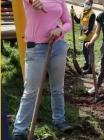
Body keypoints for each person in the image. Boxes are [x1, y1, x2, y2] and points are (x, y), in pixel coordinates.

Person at [13, 0, 73, 139]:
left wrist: (60, 29)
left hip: (58, 46)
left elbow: (68, 22)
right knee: (31, 91)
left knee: (58, 87)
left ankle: (59, 120)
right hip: (36, 49)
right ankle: (19, 131)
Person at [70, 0, 96, 74]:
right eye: (85, 3)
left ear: (91, 5)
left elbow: (90, 27)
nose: (86, 5)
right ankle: (88, 64)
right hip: (84, 36)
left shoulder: (92, 14)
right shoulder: (82, 12)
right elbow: (78, 21)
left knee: (90, 52)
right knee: (85, 51)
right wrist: (74, 14)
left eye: (88, 4)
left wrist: (85, 35)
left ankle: (91, 68)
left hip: (90, 36)